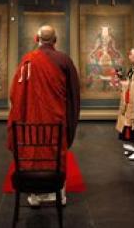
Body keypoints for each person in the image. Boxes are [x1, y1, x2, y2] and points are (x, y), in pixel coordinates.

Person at [7, 25, 81, 206]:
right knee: (56, 152)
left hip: (30, 122)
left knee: (33, 152)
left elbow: (14, 94)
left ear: (36, 38)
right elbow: (74, 94)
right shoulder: (64, 60)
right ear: (55, 41)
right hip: (57, 122)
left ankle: (34, 195)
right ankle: (59, 194)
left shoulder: (28, 61)